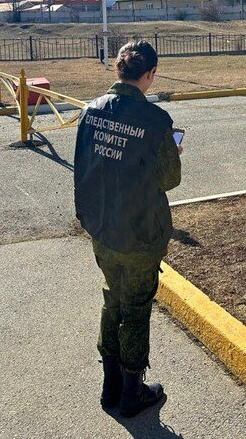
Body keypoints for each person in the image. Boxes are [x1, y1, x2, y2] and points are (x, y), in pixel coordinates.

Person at [73, 40, 182, 418]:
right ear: (149, 74)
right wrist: (173, 151)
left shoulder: (91, 111)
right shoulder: (155, 121)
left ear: (118, 70)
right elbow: (170, 179)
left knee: (112, 298)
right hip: (138, 234)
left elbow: (84, 166)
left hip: (102, 227)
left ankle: (110, 386)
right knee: (135, 310)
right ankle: (132, 393)